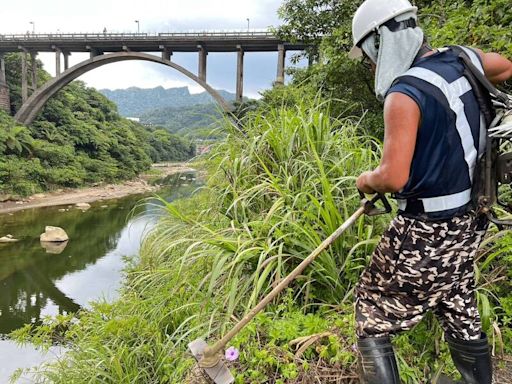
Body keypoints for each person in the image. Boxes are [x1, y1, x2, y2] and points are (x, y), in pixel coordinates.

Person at [348, 0, 512, 383]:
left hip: (429, 229)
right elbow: (504, 66)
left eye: (370, 54)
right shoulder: (462, 60)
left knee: (373, 310)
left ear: (379, 42)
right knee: (457, 300)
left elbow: (392, 177)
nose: (371, 64)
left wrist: (364, 181)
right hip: (471, 219)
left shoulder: (404, 95)